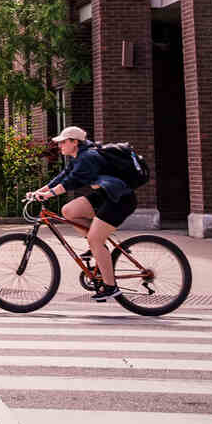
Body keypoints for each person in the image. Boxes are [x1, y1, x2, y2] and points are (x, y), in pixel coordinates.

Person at [30, 125, 135, 301]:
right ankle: (98, 247)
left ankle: (110, 286)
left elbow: (71, 182)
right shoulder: (78, 157)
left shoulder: (88, 157)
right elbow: (63, 176)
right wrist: (39, 191)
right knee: (69, 211)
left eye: (63, 142)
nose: (60, 145)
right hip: (104, 196)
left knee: (95, 239)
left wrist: (48, 195)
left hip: (120, 200)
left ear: (74, 142)